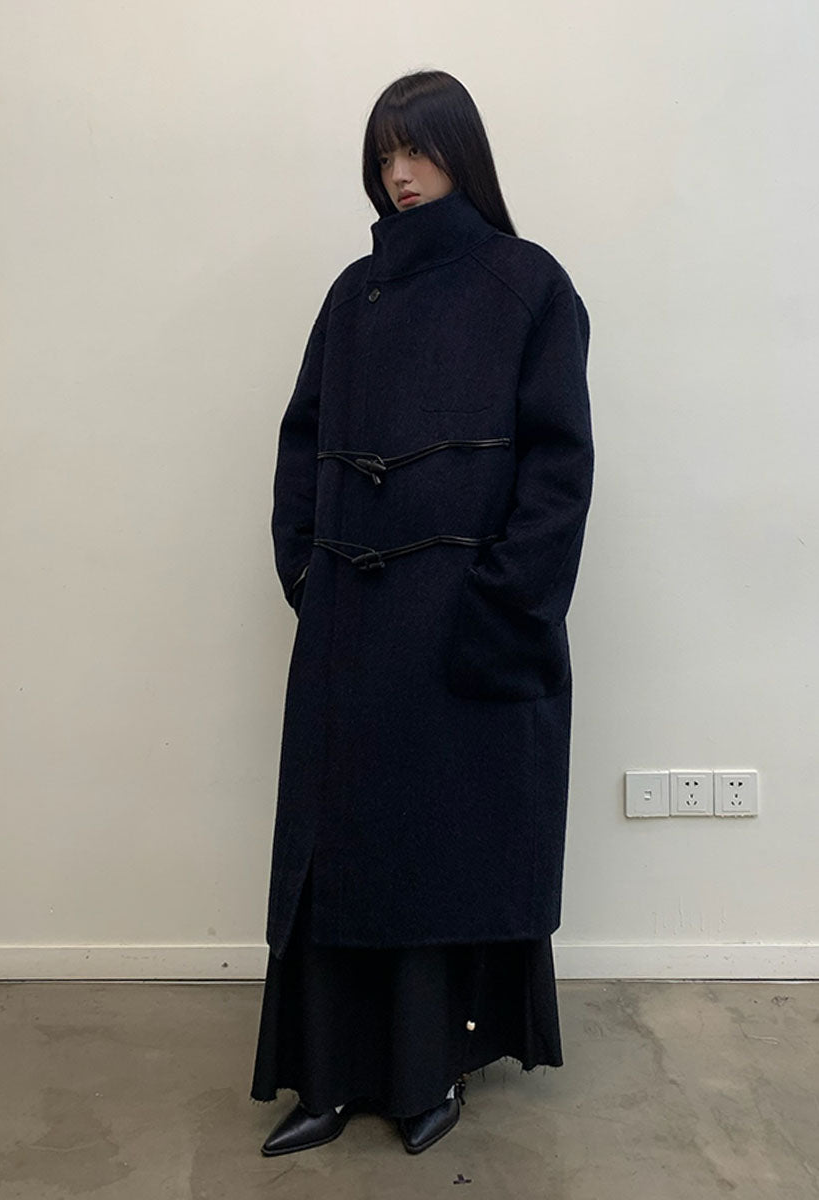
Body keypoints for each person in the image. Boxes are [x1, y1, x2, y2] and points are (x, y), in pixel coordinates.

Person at [250, 69, 595, 1156]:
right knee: (335, 857)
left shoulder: (529, 285)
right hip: (352, 633)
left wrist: (500, 608)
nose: (398, 174)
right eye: (383, 155)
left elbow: (560, 470)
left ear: (461, 151)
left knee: (444, 852)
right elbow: (303, 439)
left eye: (417, 149)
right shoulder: (352, 295)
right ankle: (326, 1075)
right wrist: (307, 572)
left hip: (462, 636)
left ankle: (426, 1072)